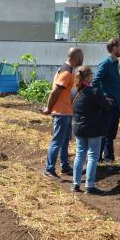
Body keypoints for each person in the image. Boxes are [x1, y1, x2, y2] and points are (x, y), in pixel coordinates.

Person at [41, 47, 83, 178]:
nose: (83, 59)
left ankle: (64, 166)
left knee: (65, 141)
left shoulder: (67, 69)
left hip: (66, 111)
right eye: (81, 56)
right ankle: (49, 169)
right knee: (57, 141)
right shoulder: (66, 72)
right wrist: (48, 108)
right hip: (61, 112)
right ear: (76, 57)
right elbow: (55, 92)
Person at [70, 66, 110, 194]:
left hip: (78, 127)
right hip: (93, 128)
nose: (93, 75)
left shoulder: (74, 92)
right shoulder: (94, 91)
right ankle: (89, 186)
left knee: (80, 155)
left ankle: (75, 184)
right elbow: (106, 107)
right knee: (92, 156)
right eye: (91, 74)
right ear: (87, 77)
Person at [93, 37, 120, 162]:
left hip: (115, 104)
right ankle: (97, 159)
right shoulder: (106, 63)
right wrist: (104, 97)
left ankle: (108, 157)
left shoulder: (114, 63)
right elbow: (95, 82)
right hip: (108, 105)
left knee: (110, 133)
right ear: (115, 48)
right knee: (104, 132)